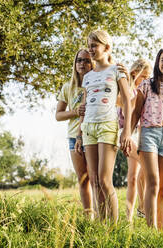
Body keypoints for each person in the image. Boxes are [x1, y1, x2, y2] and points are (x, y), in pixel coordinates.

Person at [75, 29, 132, 223]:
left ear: (106, 48)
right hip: (89, 128)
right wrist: (79, 135)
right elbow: (85, 106)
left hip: (107, 127)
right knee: (95, 181)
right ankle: (101, 227)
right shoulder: (88, 77)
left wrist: (127, 131)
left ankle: (113, 229)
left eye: (94, 46)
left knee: (105, 180)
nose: (90, 50)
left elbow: (127, 101)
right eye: (89, 45)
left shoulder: (117, 70)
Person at [130, 47, 163, 230]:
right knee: (152, 183)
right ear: (157, 63)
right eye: (162, 60)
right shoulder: (146, 85)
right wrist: (127, 134)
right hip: (149, 134)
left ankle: (162, 231)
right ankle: (151, 230)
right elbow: (136, 111)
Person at [55, 49, 93, 215]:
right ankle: (88, 215)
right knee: (83, 178)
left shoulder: (95, 85)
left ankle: (102, 215)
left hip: (92, 134)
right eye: (79, 60)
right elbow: (58, 115)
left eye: (86, 60)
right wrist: (75, 112)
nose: (82, 64)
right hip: (73, 137)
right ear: (75, 63)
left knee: (96, 178)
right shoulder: (67, 88)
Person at [117, 59, 152, 222]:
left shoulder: (143, 91)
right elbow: (124, 107)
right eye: (143, 76)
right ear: (133, 74)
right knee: (146, 163)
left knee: (132, 177)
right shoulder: (128, 90)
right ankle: (142, 206)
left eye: (148, 77)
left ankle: (128, 217)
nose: (145, 80)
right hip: (125, 132)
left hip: (137, 133)